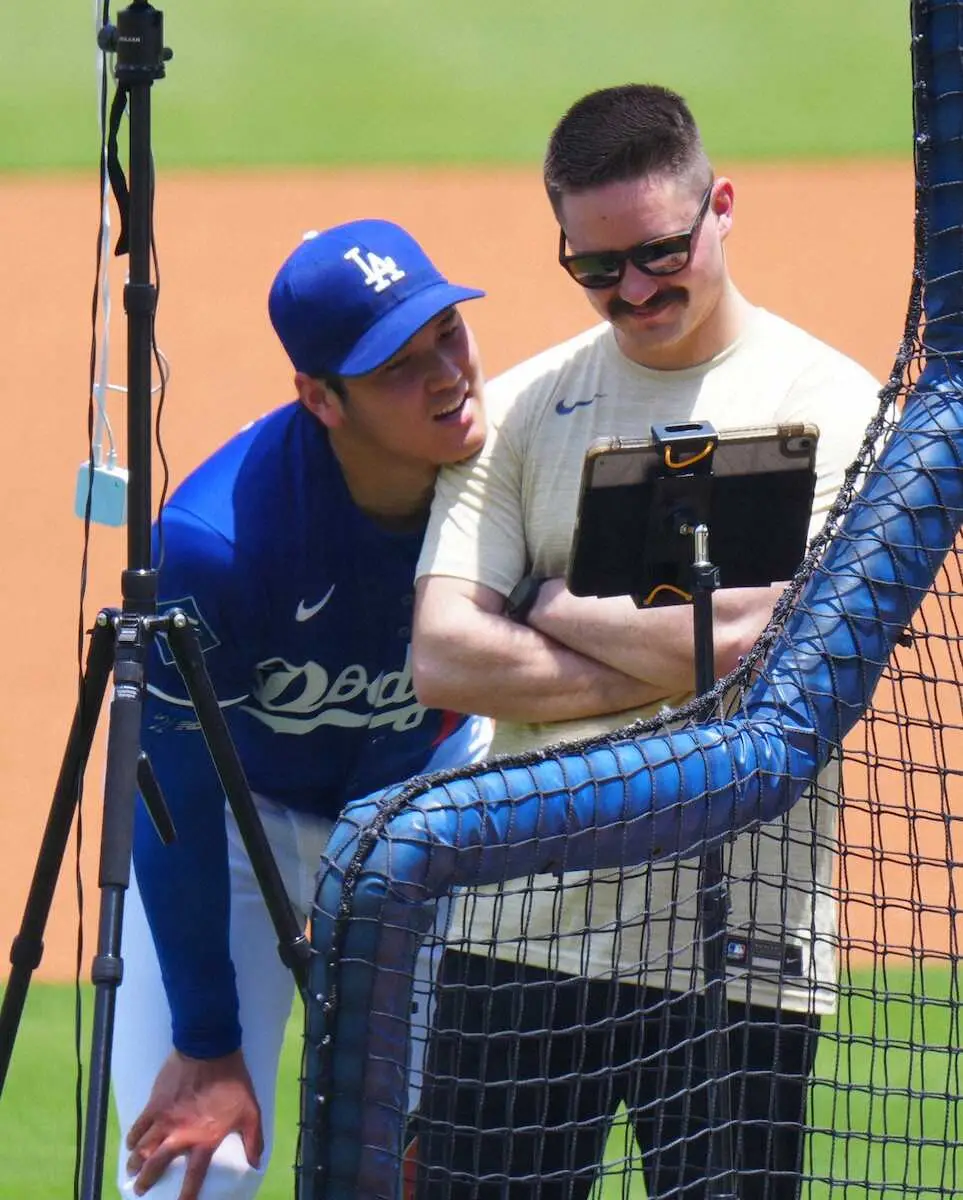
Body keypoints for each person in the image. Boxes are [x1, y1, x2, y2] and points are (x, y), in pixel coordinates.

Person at [411, 85, 882, 1199]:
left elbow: (773, 658)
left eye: (661, 252)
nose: (633, 288)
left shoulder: (836, 406)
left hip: (741, 958)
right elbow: (443, 654)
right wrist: (676, 645)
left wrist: (545, 599)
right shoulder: (523, 411)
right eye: (596, 267)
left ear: (722, 207)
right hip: (518, 930)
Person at [110, 218, 493, 1200]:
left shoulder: (509, 478)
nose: (448, 374)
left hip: (424, 821)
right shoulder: (214, 547)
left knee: (447, 1168)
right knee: (198, 1173)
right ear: (322, 398)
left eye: (447, 332)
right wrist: (206, 1045)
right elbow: (174, 796)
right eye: (401, 366)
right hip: (238, 834)